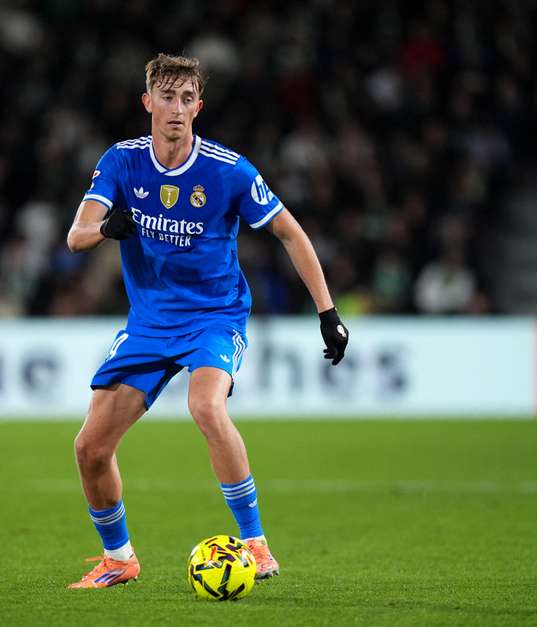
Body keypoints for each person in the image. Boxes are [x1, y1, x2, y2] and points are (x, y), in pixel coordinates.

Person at [65, 53, 349, 589]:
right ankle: (119, 559)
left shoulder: (229, 170)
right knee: (90, 448)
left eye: (187, 99)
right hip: (149, 322)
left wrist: (327, 312)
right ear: (147, 102)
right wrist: (110, 228)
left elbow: (290, 232)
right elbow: (76, 236)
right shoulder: (122, 162)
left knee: (205, 405)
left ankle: (257, 546)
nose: (177, 109)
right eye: (167, 97)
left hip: (215, 316)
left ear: (200, 105)